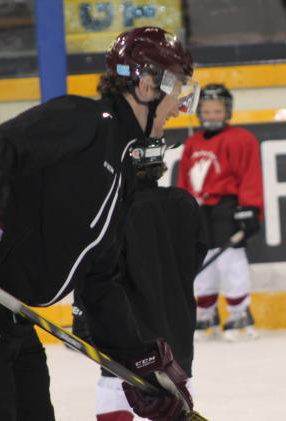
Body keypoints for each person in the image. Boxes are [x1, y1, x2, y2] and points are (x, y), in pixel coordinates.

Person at [0, 27, 200, 421]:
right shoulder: (84, 120)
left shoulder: (121, 173)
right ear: (148, 84)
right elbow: (1, 146)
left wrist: (141, 363)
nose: (179, 107)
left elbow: (99, 281)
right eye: (178, 91)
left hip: (10, 312)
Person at [72, 137, 208, 421]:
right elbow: (195, 258)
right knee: (175, 400)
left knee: (115, 385)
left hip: (127, 330)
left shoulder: (114, 211)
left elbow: (97, 272)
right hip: (177, 329)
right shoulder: (185, 203)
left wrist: (82, 316)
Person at [177, 84, 264, 341]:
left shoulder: (241, 139)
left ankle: (239, 312)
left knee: (231, 261)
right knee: (202, 261)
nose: (212, 115)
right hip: (199, 210)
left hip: (228, 208)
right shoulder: (192, 143)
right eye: (207, 110)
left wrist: (251, 207)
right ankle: (206, 313)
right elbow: (184, 179)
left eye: (217, 110)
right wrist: (182, 208)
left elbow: (250, 175)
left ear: (227, 111)